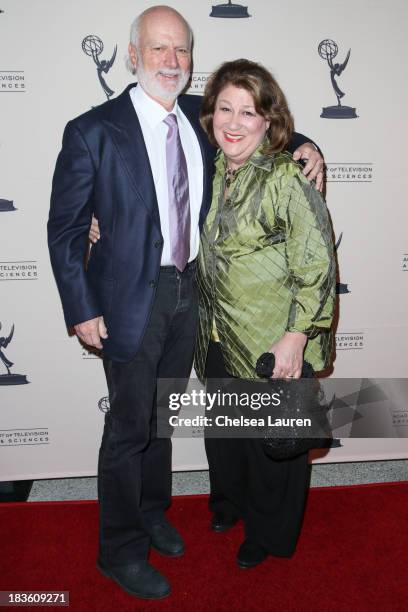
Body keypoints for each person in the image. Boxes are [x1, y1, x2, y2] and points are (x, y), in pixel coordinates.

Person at [48, 5, 324, 601]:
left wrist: (311, 145)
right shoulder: (92, 130)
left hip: (191, 296)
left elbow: (254, 124)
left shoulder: (198, 124)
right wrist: (80, 306)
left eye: (181, 51)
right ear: (132, 54)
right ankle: (118, 550)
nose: (171, 62)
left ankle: (151, 512)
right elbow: (65, 230)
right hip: (126, 302)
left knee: (161, 419)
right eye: (158, 49)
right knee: (127, 428)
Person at [194, 58, 336, 569]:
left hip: (269, 338)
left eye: (248, 112)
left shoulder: (284, 176)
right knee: (226, 437)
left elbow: (316, 262)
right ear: (210, 116)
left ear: (269, 121)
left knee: (271, 448)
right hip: (214, 332)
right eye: (224, 109)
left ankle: (269, 533)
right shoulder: (211, 169)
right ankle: (229, 503)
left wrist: (296, 335)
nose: (233, 122)